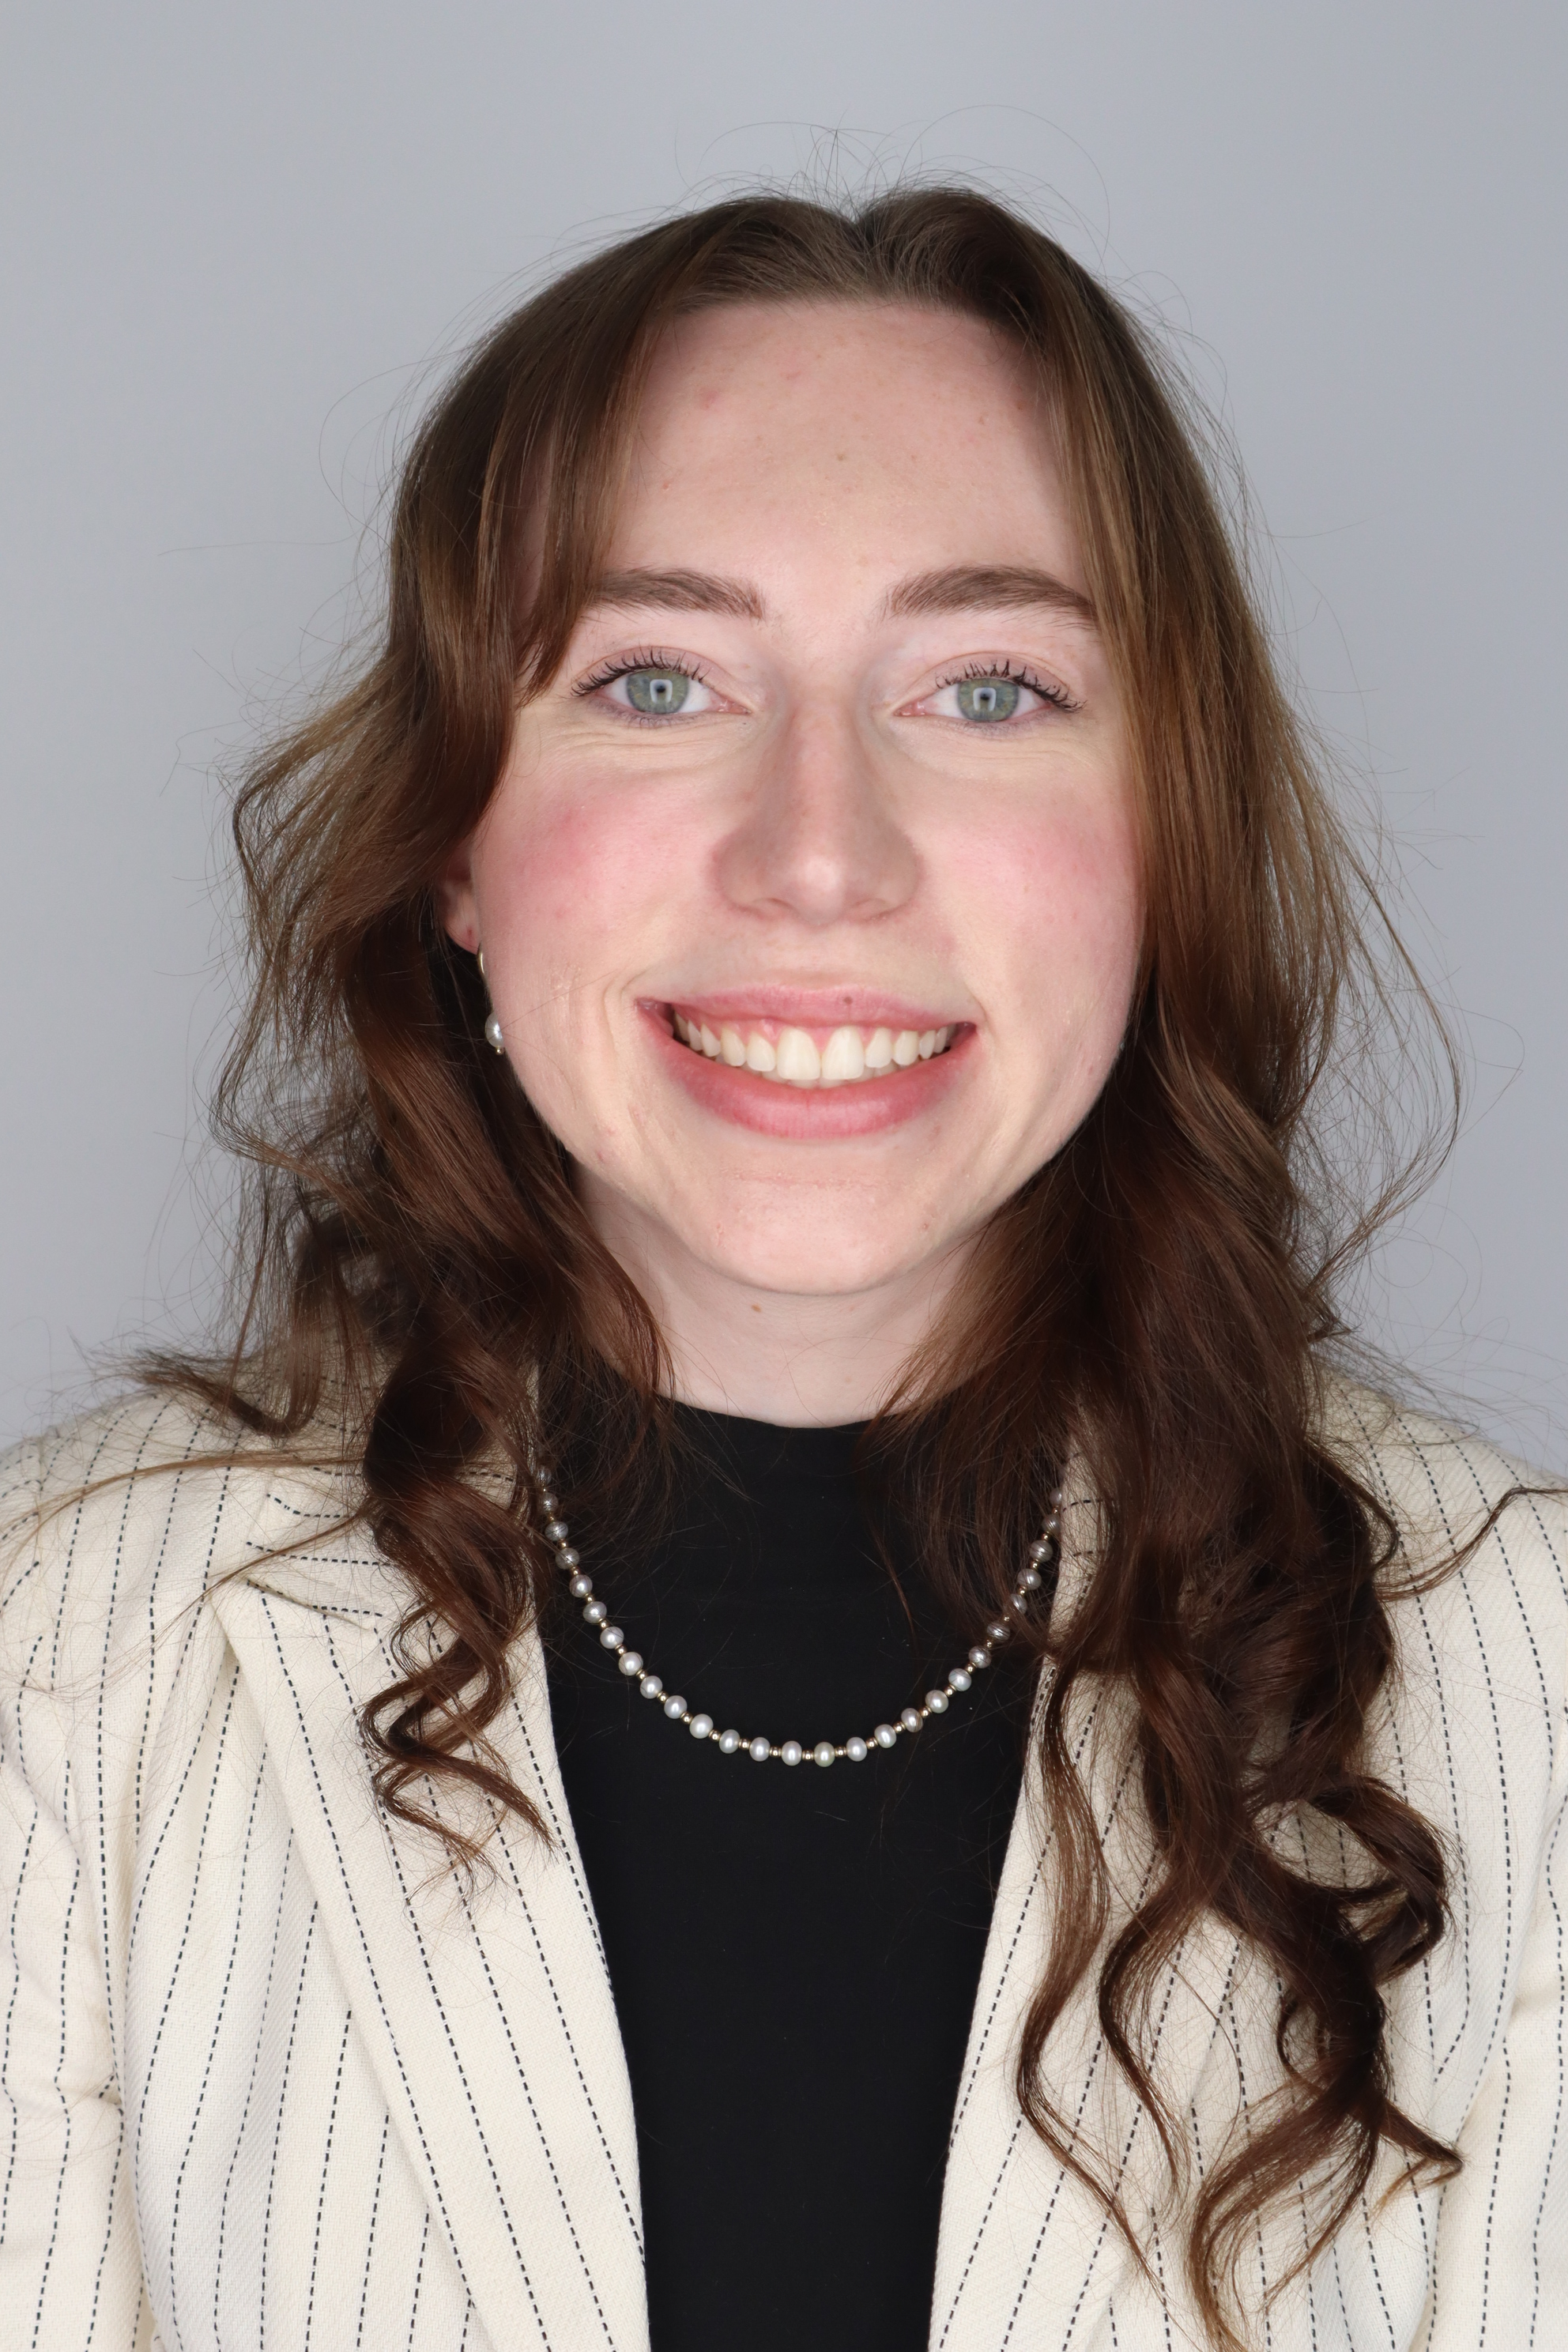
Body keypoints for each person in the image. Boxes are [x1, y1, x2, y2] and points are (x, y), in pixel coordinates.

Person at [2, 187, 1562, 2352]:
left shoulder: (1532, 1681)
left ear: (1165, 838)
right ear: (458, 846)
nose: (820, 854)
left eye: (989, 688)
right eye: (657, 680)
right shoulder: (58, 1659)